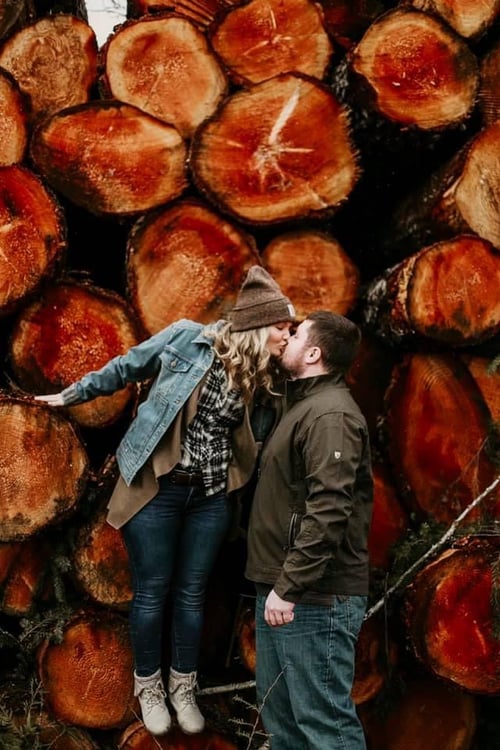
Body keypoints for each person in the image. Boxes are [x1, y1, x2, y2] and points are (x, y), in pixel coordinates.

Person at [35, 266, 295, 738]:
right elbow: (127, 366)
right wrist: (73, 394)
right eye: (283, 326)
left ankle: (183, 687)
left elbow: (266, 437)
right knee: (153, 593)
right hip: (158, 489)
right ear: (258, 324)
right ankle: (148, 686)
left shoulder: (265, 376)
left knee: (192, 595)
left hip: (211, 498)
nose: (288, 335)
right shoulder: (187, 340)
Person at [245, 310, 373, 750]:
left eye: (296, 334)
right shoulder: (302, 404)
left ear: (314, 353)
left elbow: (330, 510)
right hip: (283, 589)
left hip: (313, 597)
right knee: (283, 725)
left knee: (324, 727)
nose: (287, 338)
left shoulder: (330, 416)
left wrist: (291, 585)